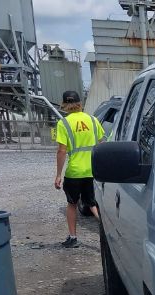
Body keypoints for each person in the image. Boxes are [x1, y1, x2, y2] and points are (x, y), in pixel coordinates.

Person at [54, 90, 105, 248]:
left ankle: (73, 237)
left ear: (64, 104)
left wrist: (58, 175)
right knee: (91, 203)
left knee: (72, 204)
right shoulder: (92, 120)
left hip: (75, 172)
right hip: (92, 170)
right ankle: (106, 230)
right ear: (79, 103)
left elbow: (62, 150)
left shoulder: (63, 123)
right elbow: (101, 144)